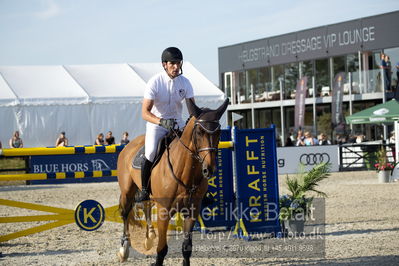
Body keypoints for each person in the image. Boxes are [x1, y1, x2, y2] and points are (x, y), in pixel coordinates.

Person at [136, 47, 195, 202]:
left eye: (179, 63)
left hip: (178, 123)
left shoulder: (185, 83)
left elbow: (192, 109)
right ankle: (144, 190)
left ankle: (199, 188)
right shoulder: (155, 82)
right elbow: (145, 113)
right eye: (173, 63)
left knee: (194, 150)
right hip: (157, 124)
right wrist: (161, 121)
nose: (176, 67)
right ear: (164, 64)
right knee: (150, 152)